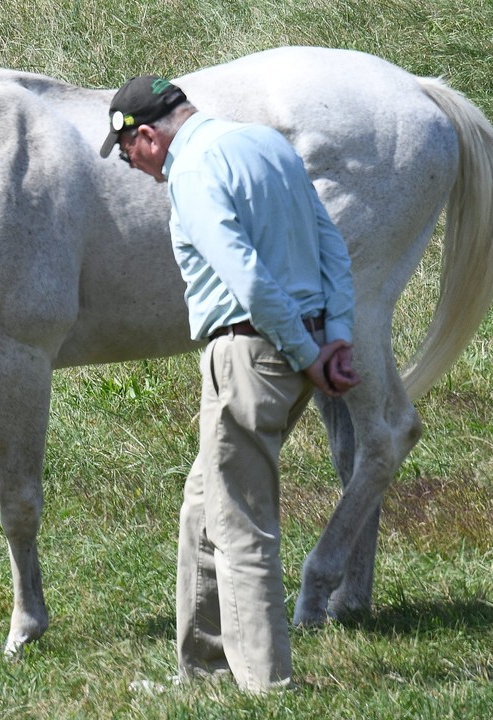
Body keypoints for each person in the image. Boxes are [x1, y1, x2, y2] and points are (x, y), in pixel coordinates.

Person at [99, 75, 359, 692]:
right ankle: (205, 665)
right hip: (298, 346)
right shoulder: (266, 146)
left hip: (252, 351)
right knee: (202, 505)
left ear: (147, 137)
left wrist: (304, 349)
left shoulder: (191, 173)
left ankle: (267, 684)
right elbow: (331, 246)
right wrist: (334, 337)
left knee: (239, 522)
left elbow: (244, 274)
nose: (133, 168)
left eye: (128, 153)